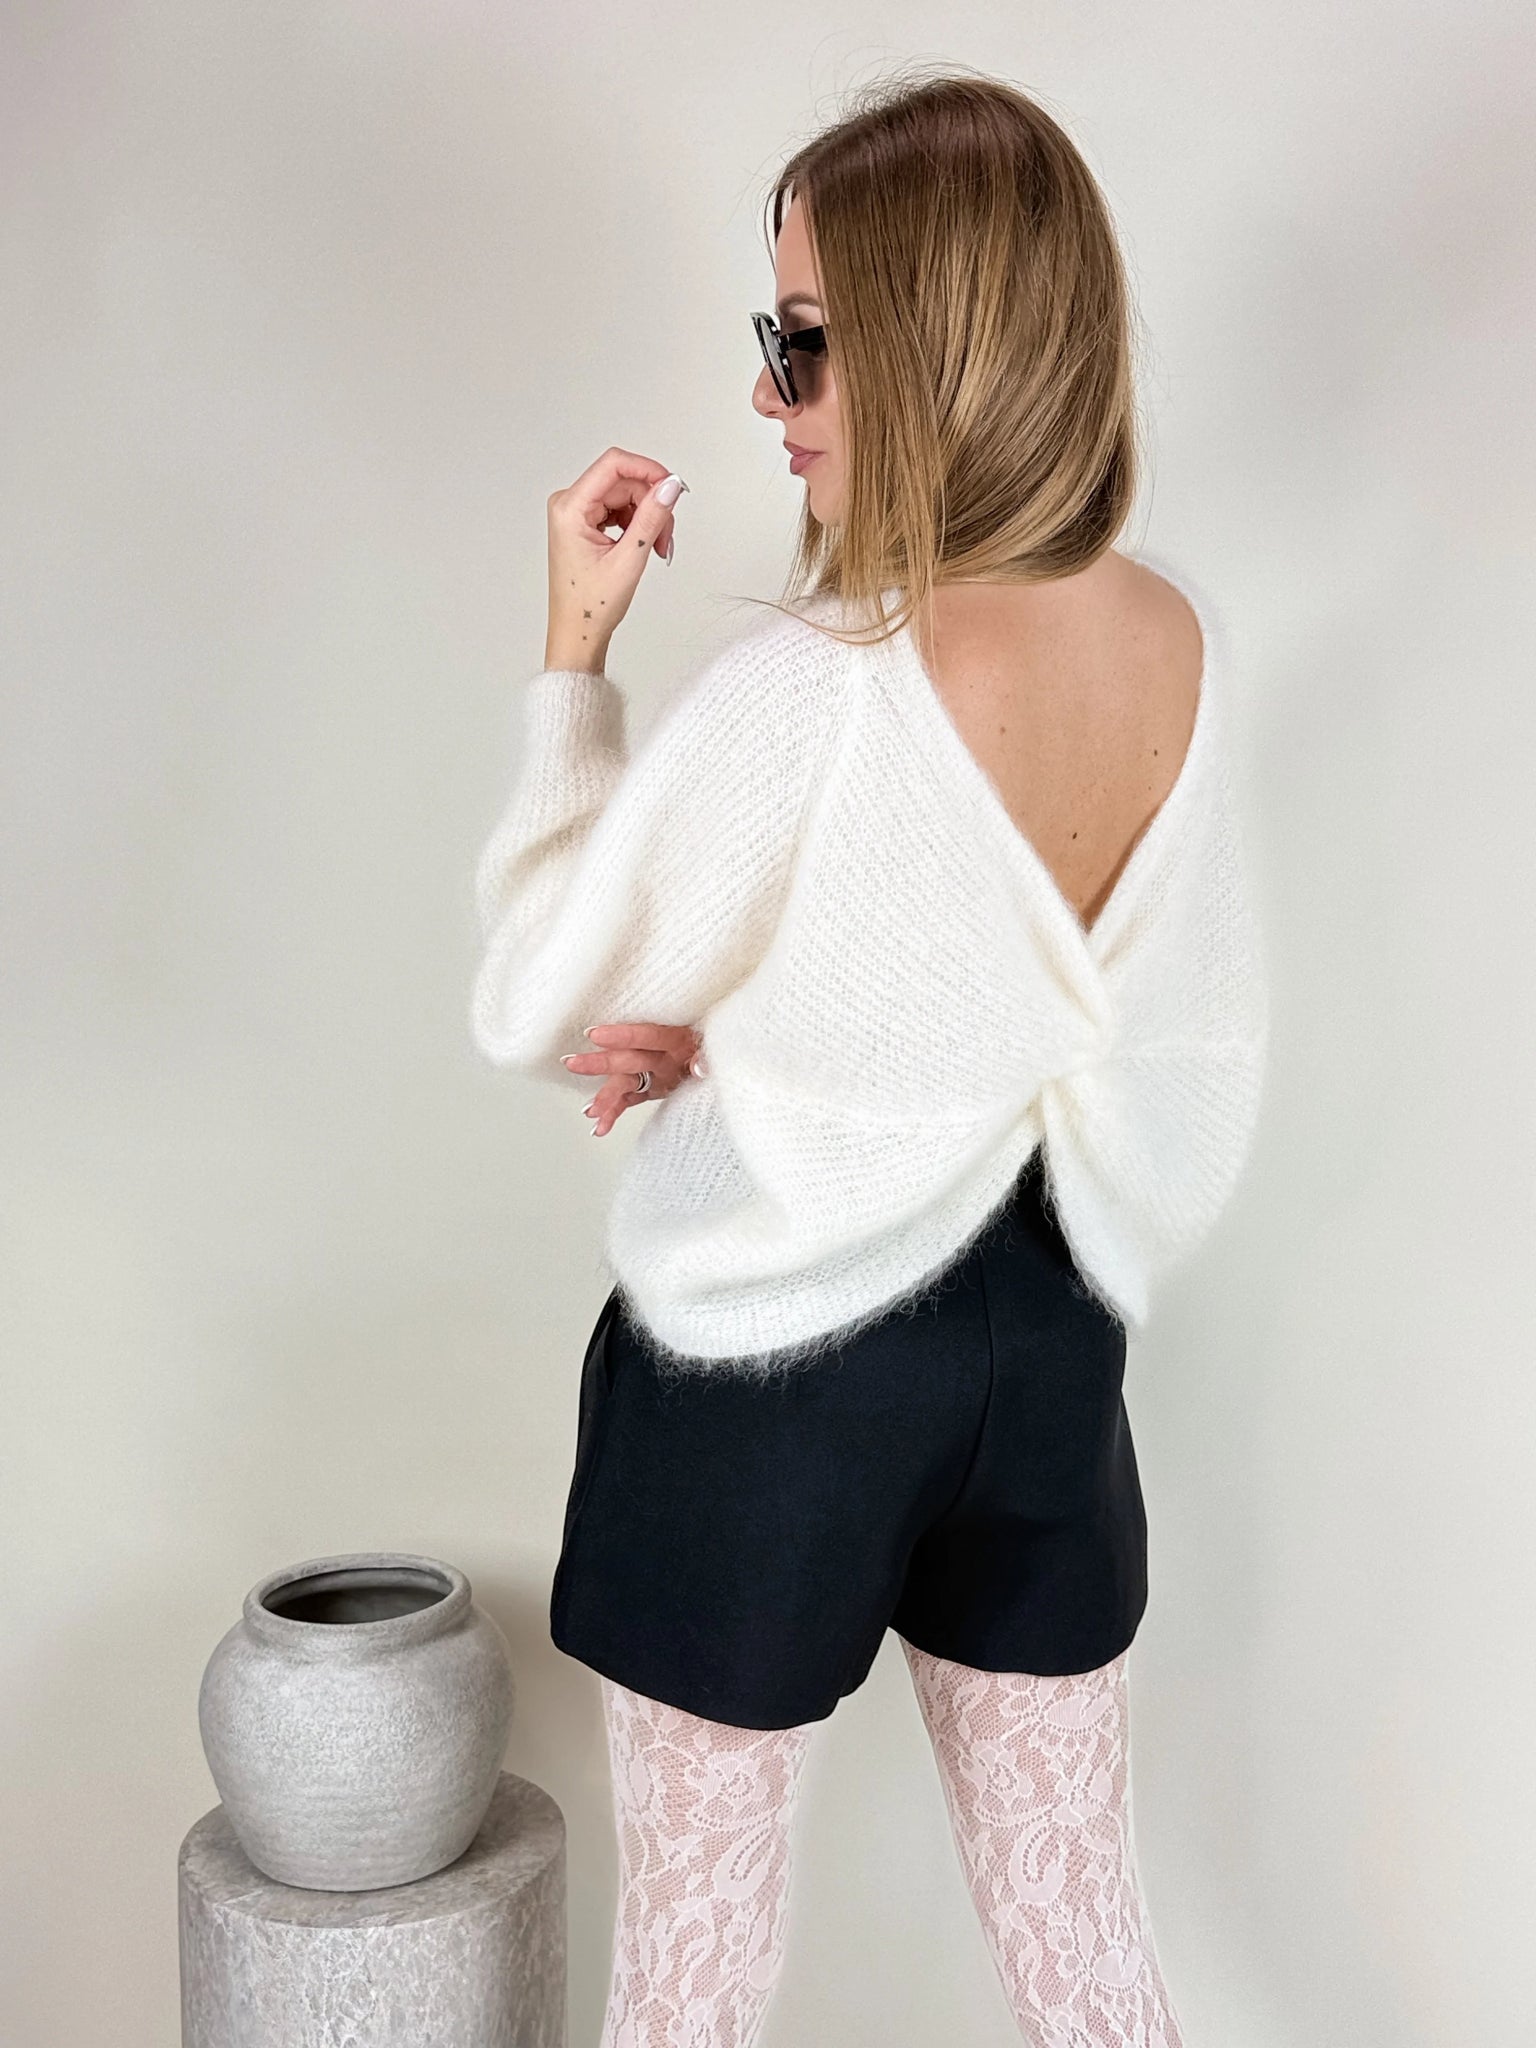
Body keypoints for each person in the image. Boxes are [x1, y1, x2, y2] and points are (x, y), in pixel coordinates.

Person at [469, 68, 1269, 2048]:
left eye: (803, 342)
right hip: (1044, 1346)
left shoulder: (812, 691)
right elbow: (1040, 990)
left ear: (930, 344)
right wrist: (754, 1026)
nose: (769, 397)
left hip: (776, 1376)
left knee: (692, 1992)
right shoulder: (1169, 639)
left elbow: (538, 992)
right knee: (1088, 1959)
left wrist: (573, 656)